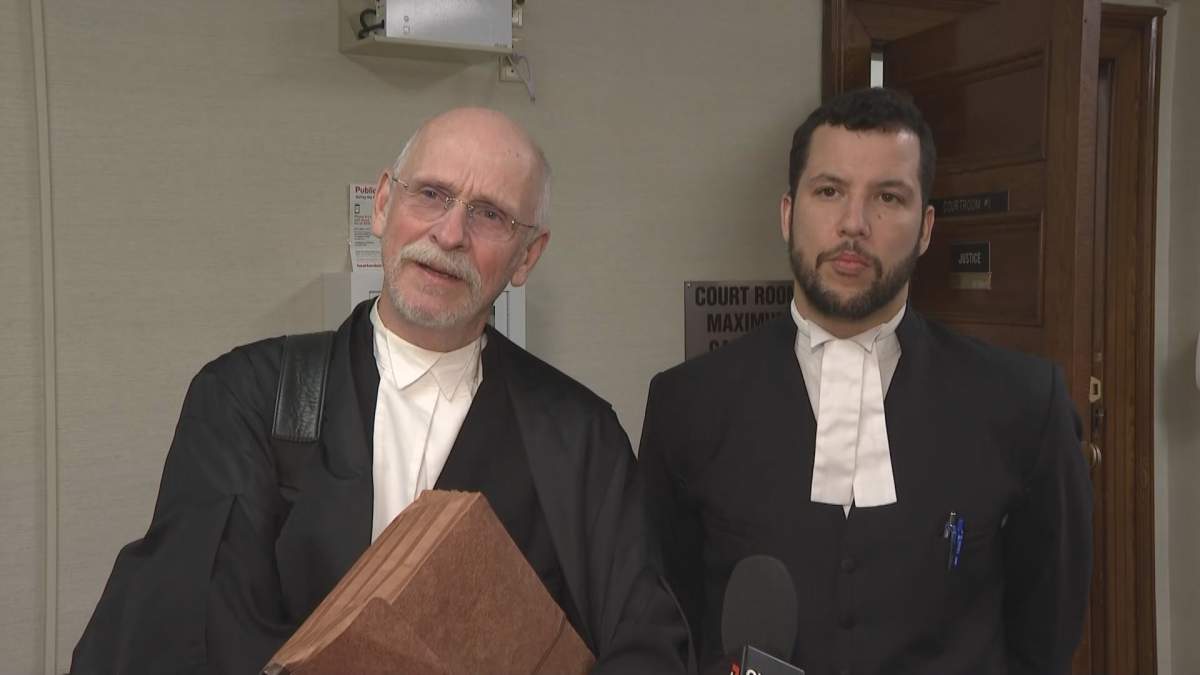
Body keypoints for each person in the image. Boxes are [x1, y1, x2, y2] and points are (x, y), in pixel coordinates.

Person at [72, 107, 690, 675]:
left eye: (490, 215)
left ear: (527, 256)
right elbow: (186, 628)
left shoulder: (580, 437)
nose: (450, 234)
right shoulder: (250, 398)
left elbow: (648, 643)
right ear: (383, 205)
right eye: (432, 194)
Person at [638, 88, 1092, 675]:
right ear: (787, 214)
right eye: (829, 191)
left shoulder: (1024, 403)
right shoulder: (686, 404)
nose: (853, 224)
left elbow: (1046, 635)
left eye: (888, 197)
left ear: (926, 227)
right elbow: (665, 621)